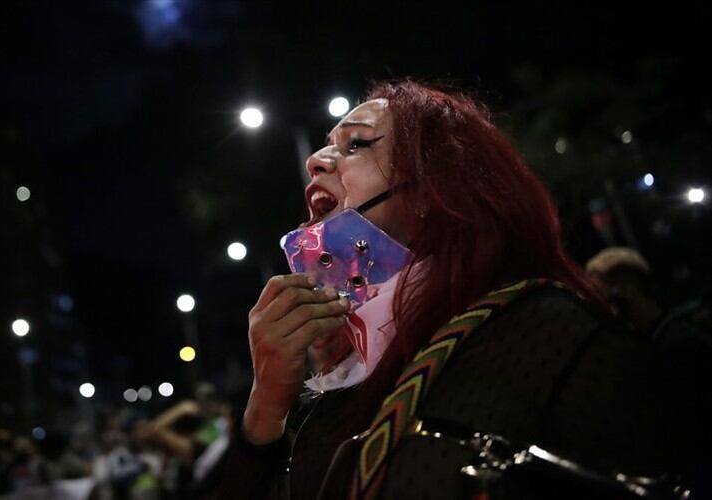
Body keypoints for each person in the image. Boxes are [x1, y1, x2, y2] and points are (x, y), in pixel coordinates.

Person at [220, 80, 707, 499]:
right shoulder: (339, 384)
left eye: (356, 144)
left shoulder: (546, 334)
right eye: (327, 146)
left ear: (435, 190)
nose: (314, 161)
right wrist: (265, 409)